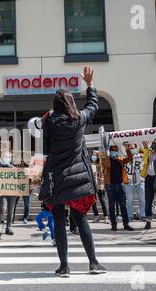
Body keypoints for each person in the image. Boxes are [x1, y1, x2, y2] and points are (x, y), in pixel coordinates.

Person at [40, 66, 106, 277]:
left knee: (59, 220)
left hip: (57, 178)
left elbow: (45, 150)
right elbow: (93, 105)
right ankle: (93, 263)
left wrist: (48, 117)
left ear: (55, 106)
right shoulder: (79, 119)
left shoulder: (49, 122)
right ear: (70, 103)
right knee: (80, 219)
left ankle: (64, 266)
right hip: (78, 178)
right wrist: (90, 84)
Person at [99, 144, 135, 231]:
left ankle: (126, 224)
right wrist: (106, 154)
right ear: (110, 151)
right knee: (111, 206)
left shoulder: (121, 160)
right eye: (113, 150)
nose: (115, 152)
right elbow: (106, 165)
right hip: (110, 185)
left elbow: (130, 159)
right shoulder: (106, 159)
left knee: (123, 205)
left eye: (116, 150)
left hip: (120, 185)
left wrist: (127, 149)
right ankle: (113, 224)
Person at [0, 152, 17, 236]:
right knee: (3, 209)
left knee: (11, 211)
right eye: (6, 156)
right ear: (2, 158)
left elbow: (18, 178)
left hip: (12, 193)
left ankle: (8, 228)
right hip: (2, 193)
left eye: (9, 157)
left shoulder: (13, 168)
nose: (7, 158)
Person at [141, 139, 156, 229]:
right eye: (155, 144)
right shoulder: (148, 153)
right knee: (148, 201)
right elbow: (144, 157)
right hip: (149, 178)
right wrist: (145, 147)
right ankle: (148, 221)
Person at [124, 143, 146, 222]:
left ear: (136, 148)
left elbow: (145, 155)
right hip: (130, 181)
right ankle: (129, 216)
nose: (131, 150)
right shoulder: (126, 158)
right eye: (130, 148)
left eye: (133, 148)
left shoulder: (141, 156)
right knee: (129, 200)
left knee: (142, 199)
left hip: (141, 180)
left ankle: (143, 215)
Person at [90, 151, 109, 223]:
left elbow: (105, 160)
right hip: (92, 185)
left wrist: (100, 155)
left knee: (102, 201)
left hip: (100, 184)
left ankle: (106, 217)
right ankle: (96, 216)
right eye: (93, 155)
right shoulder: (90, 165)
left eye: (95, 155)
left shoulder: (101, 164)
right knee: (93, 202)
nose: (94, 156)